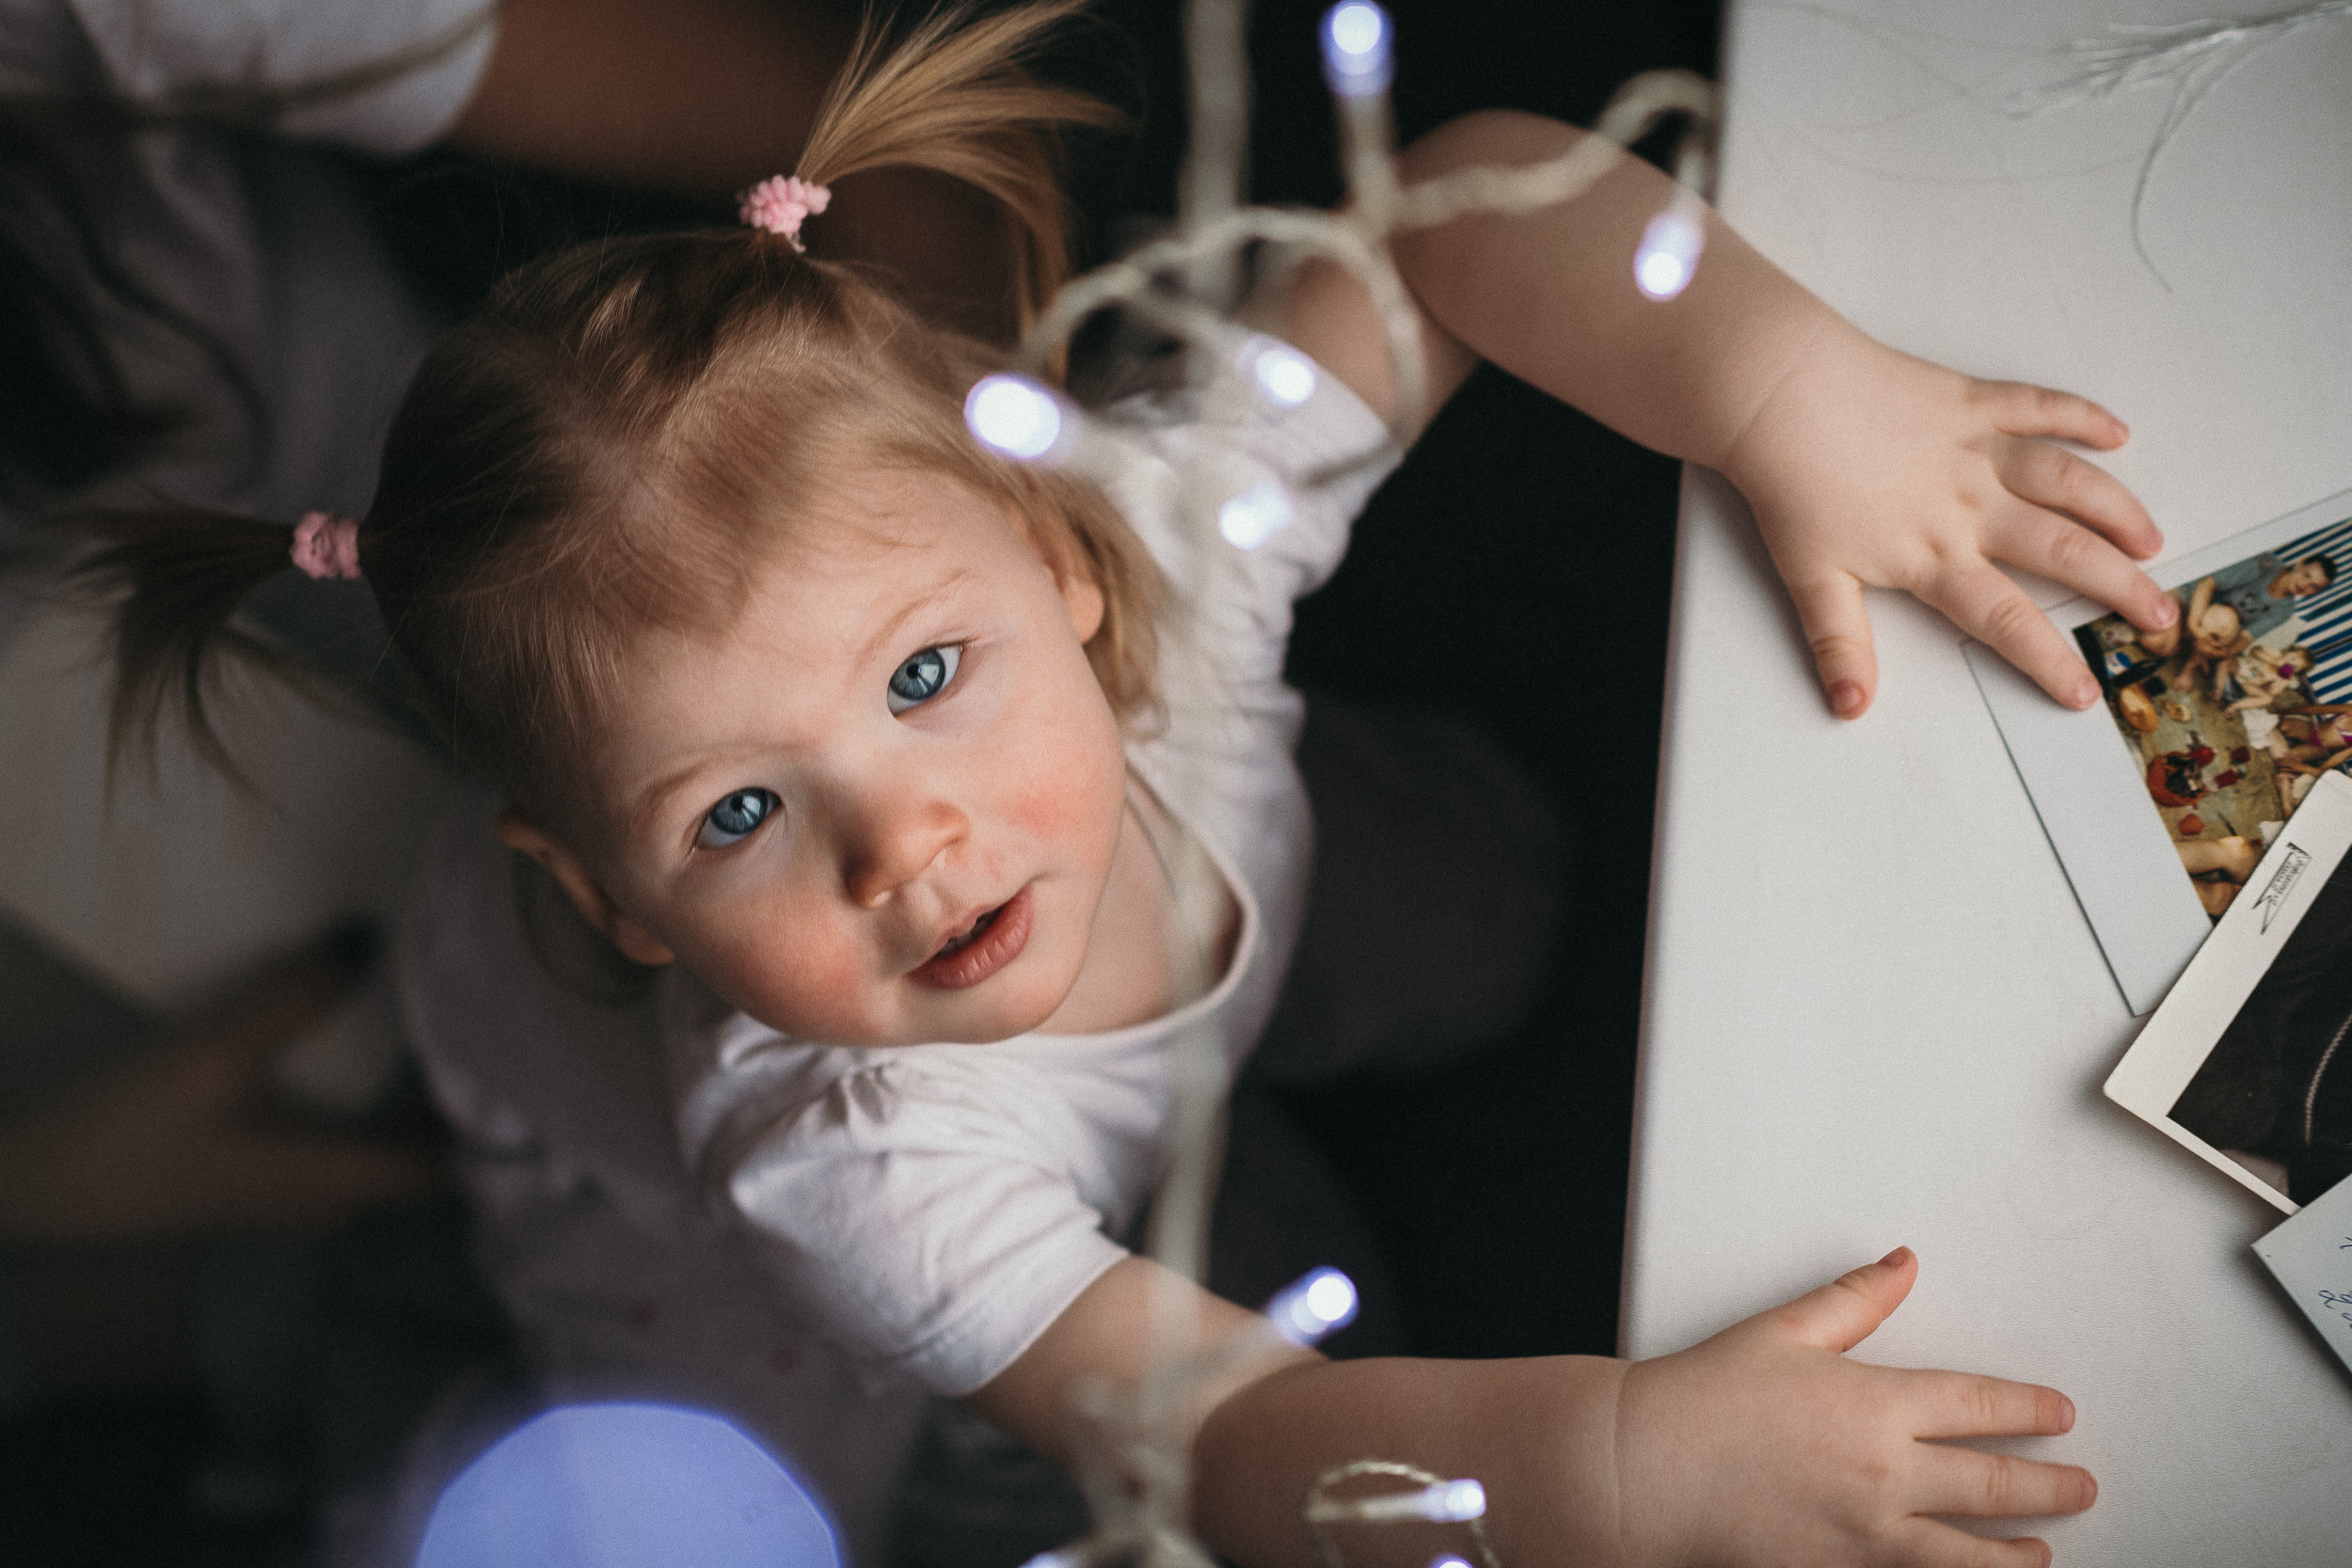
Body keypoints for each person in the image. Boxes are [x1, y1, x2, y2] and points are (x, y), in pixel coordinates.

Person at [66, 3, 2183, 1564]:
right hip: (670, 1239)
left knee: (1491, 891)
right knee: (813, 1479)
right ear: (614, 906)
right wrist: (1617, 1475)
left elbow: (1447, 213)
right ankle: (297, 1327)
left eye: (922, 675)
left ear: (1070, 570)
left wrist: (1789, 394)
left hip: (1215, 865)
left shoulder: (1168, 519)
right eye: (733, 816)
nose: (908, 841)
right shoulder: (845, 1177)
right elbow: (1229, 1441)